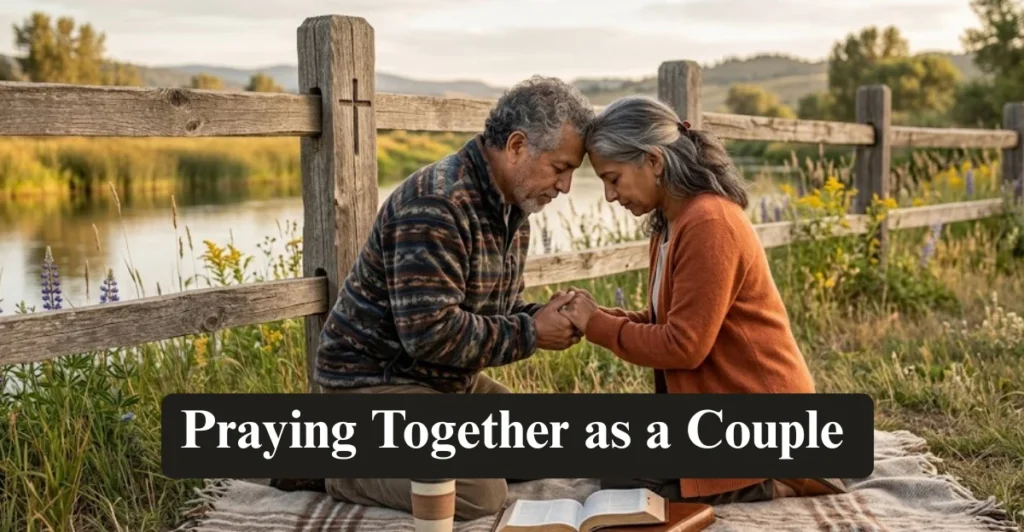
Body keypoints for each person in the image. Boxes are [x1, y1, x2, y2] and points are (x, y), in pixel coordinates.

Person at [311, 76, 596, 520]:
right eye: (560, 168)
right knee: (478, 494)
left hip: (445, 384)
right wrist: (532, 332)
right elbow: (429, 335)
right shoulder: (437, 205)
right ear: (517, 146)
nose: (565, 187)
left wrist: (541, 315)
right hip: (373, 385)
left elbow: (492, 314)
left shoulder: (512, 208)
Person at [557, 95, 845, 504]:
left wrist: (598, 325)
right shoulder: (670, 225)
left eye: (614, 178)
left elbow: (683, 346)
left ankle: (786, 475)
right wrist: (594, 316)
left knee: (628, 484)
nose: (608, 195)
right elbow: (666, 321)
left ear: (653, 162)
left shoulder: (710, 222)